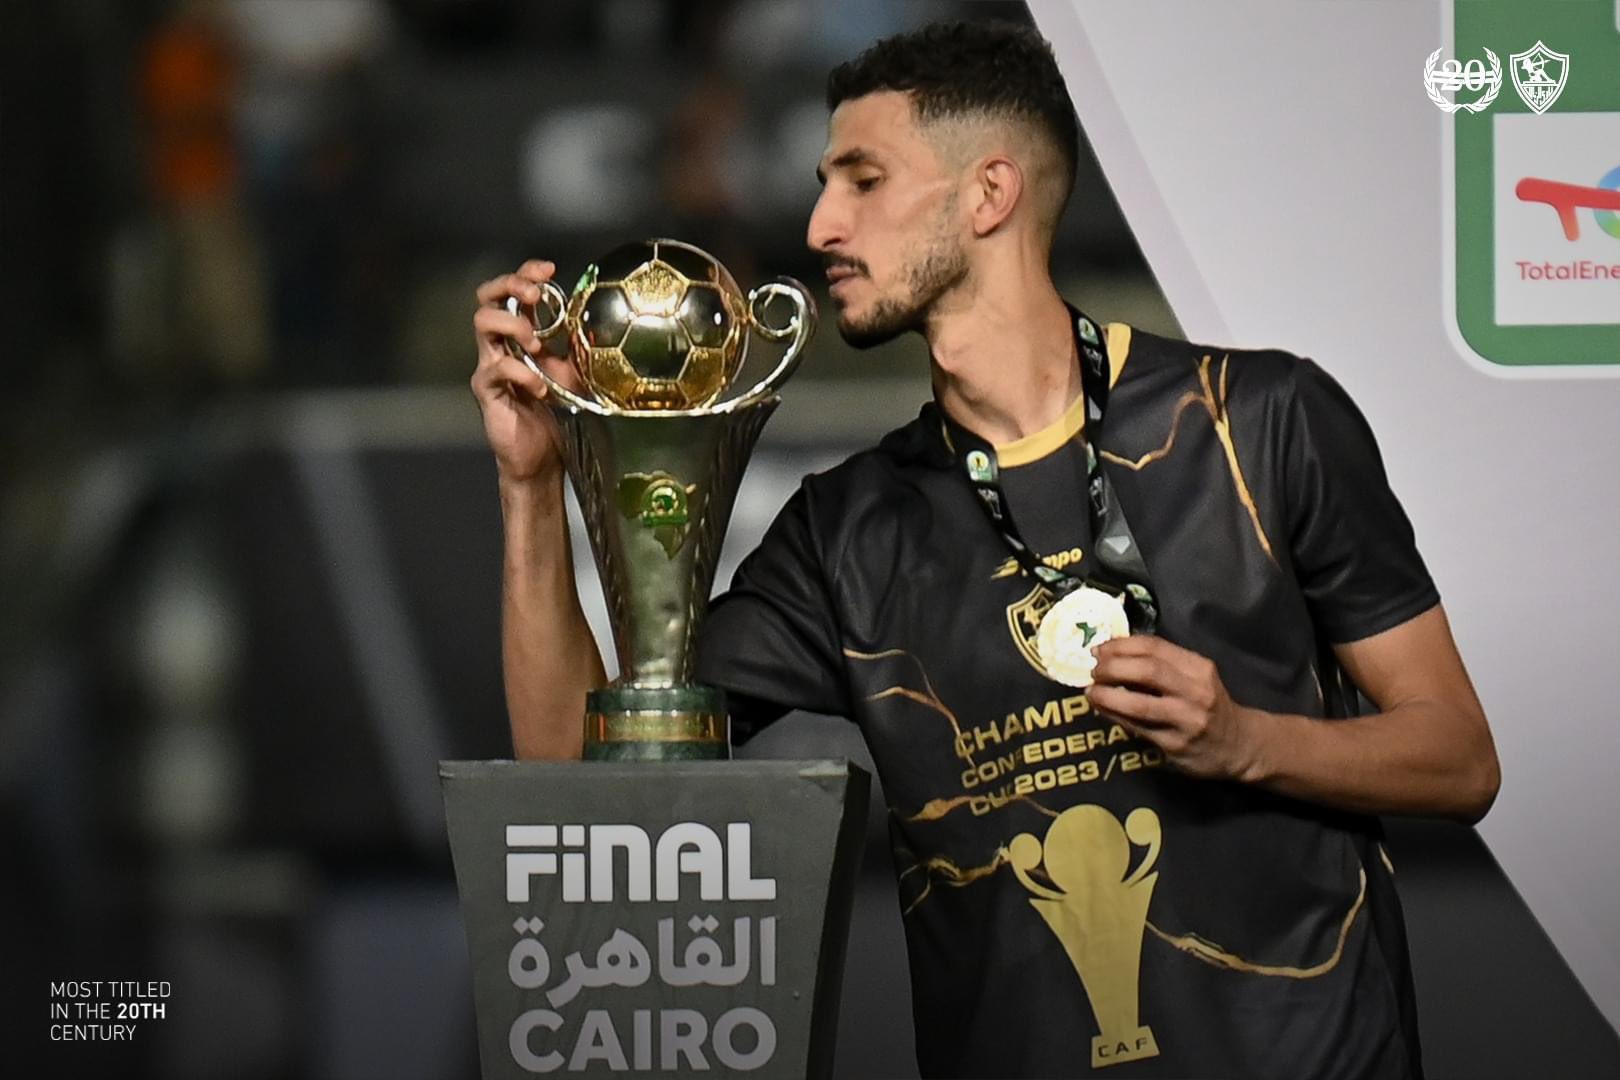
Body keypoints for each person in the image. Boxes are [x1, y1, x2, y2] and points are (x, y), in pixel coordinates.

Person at [469, 20, 1499, 1080]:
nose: (821, 223)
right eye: (825, 186)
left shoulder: (1261, 420)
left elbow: (1460, 757)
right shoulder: (846, 529)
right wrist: (533, 485)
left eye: (864, 180)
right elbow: (582, 786)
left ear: (989, 193)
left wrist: (1247, 741)